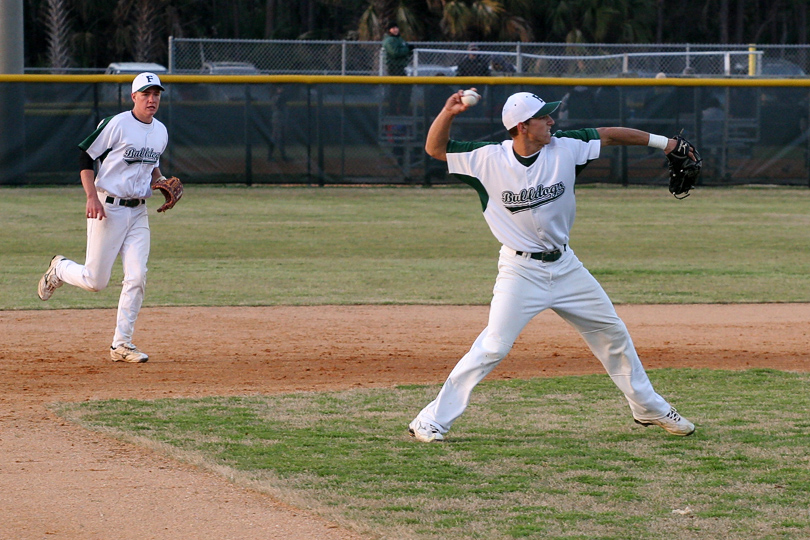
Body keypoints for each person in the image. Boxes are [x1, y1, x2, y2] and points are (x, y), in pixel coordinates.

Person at [408, 90, 696, 442]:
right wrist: (448, 111)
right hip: (520, 272)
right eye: (543, 117)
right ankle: (431, 420)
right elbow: (436, 149)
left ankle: (647, 408)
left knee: (613, 334)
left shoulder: (566, 146)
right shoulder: (486, 159)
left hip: (566, 267)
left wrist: (665, 144)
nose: (552, 121)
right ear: (522, 126)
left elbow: (610, 134)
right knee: (493, 346)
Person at [37, 72, 171, 363]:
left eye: (156, 94)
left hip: (138, 212)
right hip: (107, 207)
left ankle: (121, 345)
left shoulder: (160, 131)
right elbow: (85, 155)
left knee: (137, 276)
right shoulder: (117, 124)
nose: (152, 99)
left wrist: (163, 182)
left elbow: (153, 168)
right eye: (146, 94)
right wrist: (90, 197)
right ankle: (59, 269)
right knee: (95, 281)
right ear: (133, 97)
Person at [382, 21, 414, 115]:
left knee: (406, 89)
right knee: (394, 91)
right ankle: (392, 112)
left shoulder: (399, 39)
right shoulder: (389, 40)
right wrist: (407, 49)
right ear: (389, 30)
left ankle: (403, 111)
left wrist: (408, 49)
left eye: (396, 27)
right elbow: (395, 53)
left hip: (401, 68)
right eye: (393, 28)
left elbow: (404, 49)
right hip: (394, 69)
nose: (395, 30)